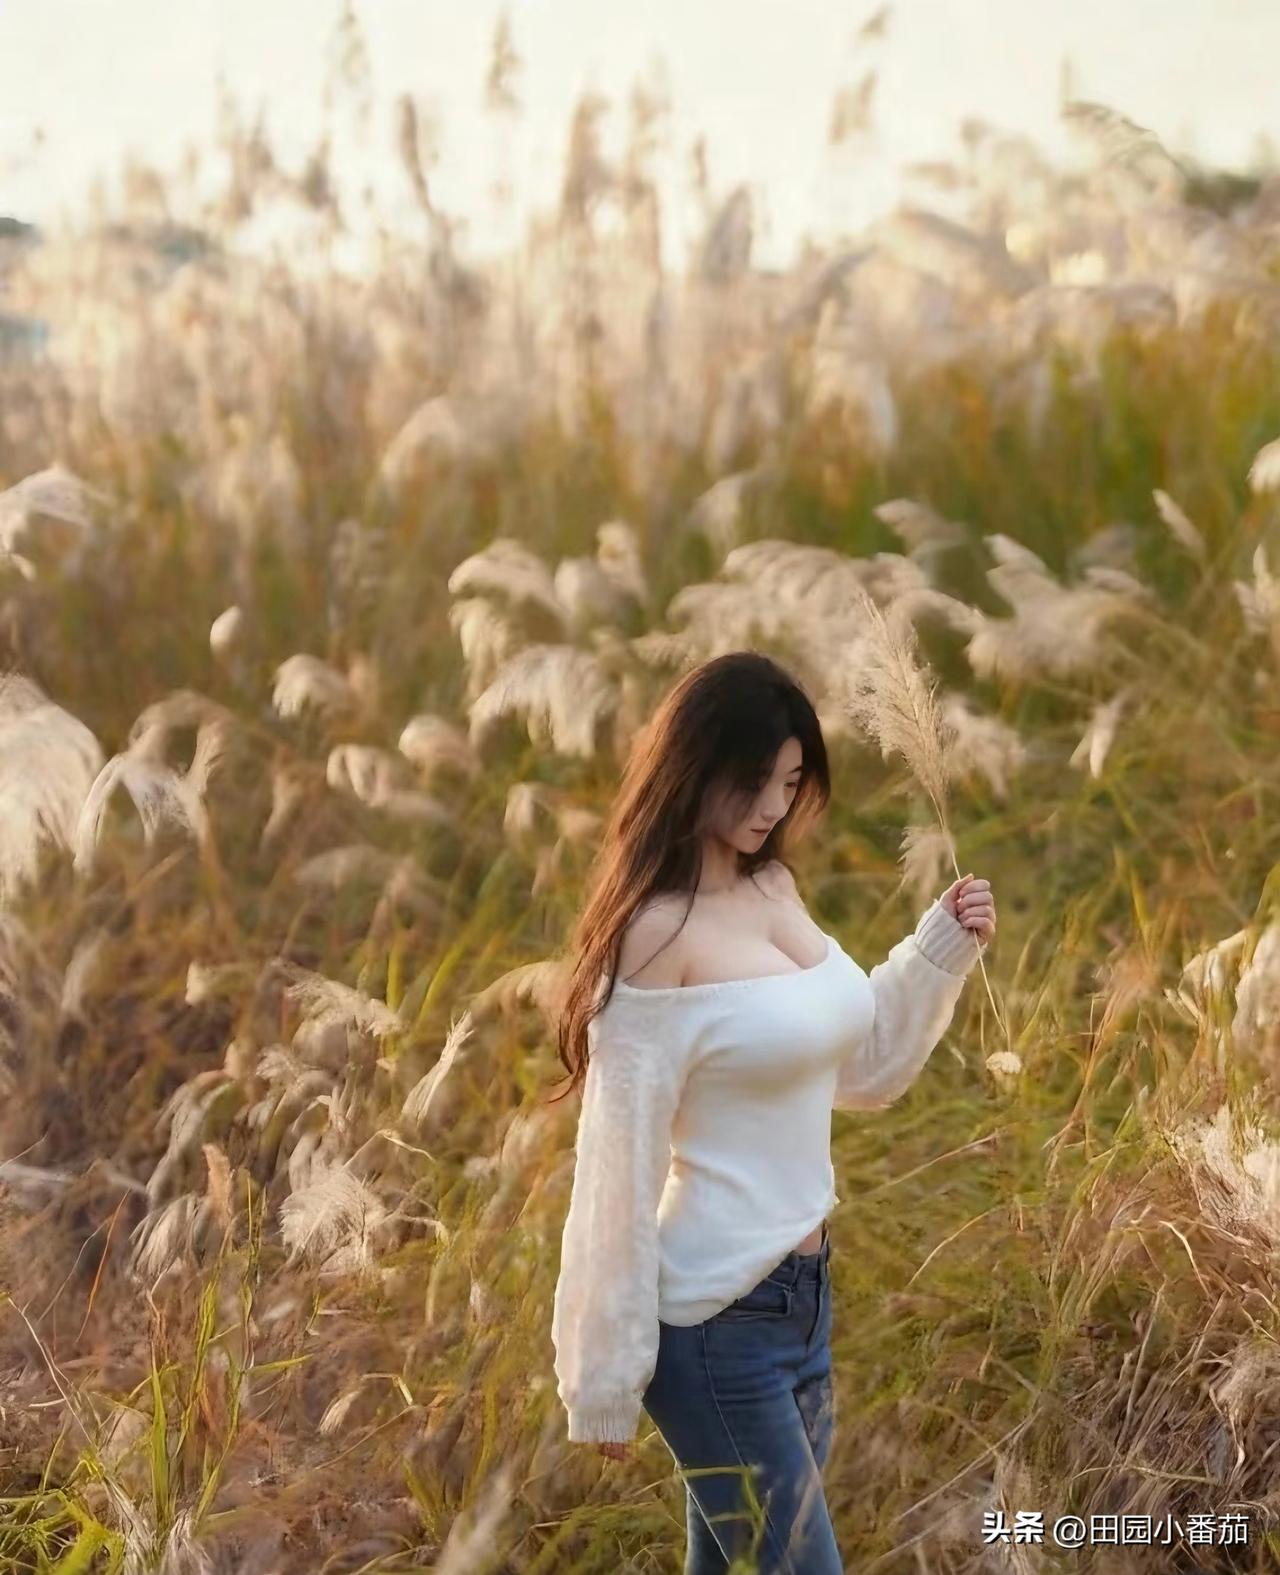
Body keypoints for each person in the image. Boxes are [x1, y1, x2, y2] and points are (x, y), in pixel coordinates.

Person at [548, 650, 996, 1575]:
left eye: (790, 783)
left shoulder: (773, 890)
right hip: (715, 1325)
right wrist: (605, 1375)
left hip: (805, 1308)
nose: (772, 806)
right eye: (755, 780)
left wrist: (939, 946)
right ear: (695, 768)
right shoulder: (656, 935)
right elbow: (617, 1158)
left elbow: (858, 1066)